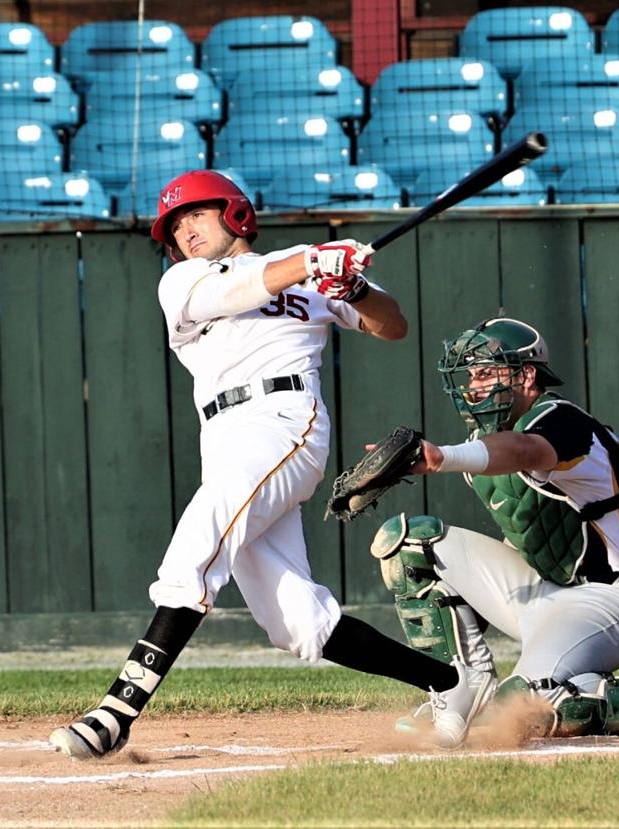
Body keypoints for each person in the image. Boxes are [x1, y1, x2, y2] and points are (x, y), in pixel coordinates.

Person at [49, 170, 496, 758]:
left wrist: (351, 286)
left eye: (196, 214)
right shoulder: (183, 281)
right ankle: (453, 683)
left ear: (234, 213)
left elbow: (392, 326)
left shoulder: (304, 269)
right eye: (176, 225)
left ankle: (118, 711)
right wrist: (315, 260)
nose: (185, 229)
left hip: (283, 419)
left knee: (198, 543)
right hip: (224, 437)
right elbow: (240, 288)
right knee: (294, 623)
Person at [368, 317, 619, 737]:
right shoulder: (485, 442)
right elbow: (526, 531)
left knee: (525, 707)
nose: (474, 386)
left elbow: (523, 450)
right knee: (409, 541)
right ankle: (460, 688)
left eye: (486, 372)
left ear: (527, 375)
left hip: (608, 601)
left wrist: (442, 456)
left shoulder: (563, 421)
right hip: (542, 595)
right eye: (471, 376)